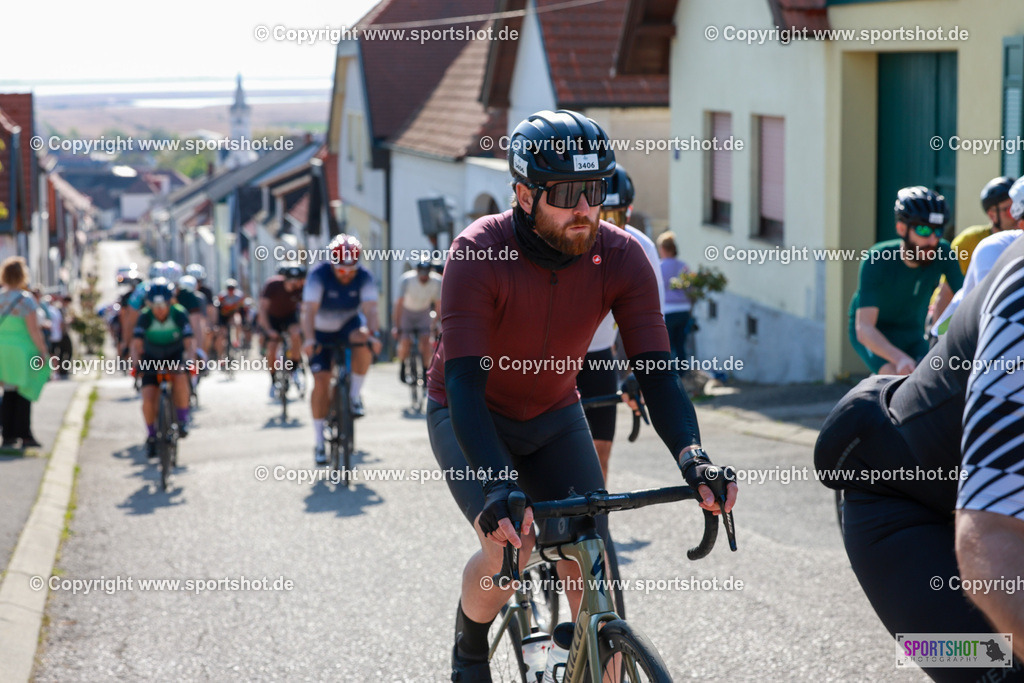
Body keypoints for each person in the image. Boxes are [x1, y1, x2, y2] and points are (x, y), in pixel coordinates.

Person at [425, 109, 737, 680]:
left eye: (593, 190)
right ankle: (470, 644)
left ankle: (600, 665)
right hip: (470, 412)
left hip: (552, 411)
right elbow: (465, 383)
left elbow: (657, 374)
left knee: (590, 558)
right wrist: (496, 483)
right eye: (567, 193)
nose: (585, 209)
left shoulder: (622, 256)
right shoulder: (477, 252)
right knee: (509, 553)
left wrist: (694, 459)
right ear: (523, 194)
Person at [815, 231, 1024, 680]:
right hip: (895, 505)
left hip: (982, 490)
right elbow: (988, 538)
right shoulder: (1020, 285)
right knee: (998, 670)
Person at [576, 165, 664, 482]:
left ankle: (598, 524)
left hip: (599, 355)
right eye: (603, 216)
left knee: (601, 451)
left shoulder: (641, 249)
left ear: (628, 212)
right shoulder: (570, 240)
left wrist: (637, 375)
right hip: (552, 359)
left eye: (617, 218)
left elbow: (651, 324)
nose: (607, 229)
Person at [849, 186, 963, 375]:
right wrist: (899, 358)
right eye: (924, 230)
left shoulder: (943, 253)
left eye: (938, 231)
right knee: (893, 380)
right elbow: (864, 328)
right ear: (902, 228)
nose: (933, 240)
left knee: (930, 381)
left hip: (912, 333)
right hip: (875, 332)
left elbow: (966, 296)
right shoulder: (877, 258)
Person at [301, 235, 382, 465]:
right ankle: (318, 442)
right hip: (320, 330)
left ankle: (354, 395)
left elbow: (371, 309)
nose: (346, 275)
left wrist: (374, 335)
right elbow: (308, 311)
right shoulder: (318, 275)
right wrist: (308, 339)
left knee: (364, 340)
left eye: (350, 271)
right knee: (321, 381)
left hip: (348, 326)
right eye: (341, 271)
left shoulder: (365, 277)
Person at [131, 279, 195, 458]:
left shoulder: (179, 314)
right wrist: (136, 365)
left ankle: (182, 420)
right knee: (148, 398)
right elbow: (136, 344)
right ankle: (151, 436)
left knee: (181, 377)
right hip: (151, 358)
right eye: (155, 305)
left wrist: (190, 361)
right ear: (149, 304)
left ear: (170, 303)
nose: (159, 309)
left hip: (174, 355)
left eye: (163, 304)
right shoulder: (145, 316)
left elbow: (190, 343)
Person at [0, 257, 52, 450]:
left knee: (8, 392)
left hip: (2, 350)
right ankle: (25, 434)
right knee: (25, 392)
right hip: (23, 351)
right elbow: (33, 329)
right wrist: (43, 351)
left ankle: (8, 435)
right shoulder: (25, 299)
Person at [259, 264, 305, 398]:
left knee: (296, 335)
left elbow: (305, 310)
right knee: (272, 347)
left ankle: (294, 369)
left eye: (298, 279)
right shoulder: (272, 285)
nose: (294, 283)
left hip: (289, 317)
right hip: (272, 318)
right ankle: (273, 380)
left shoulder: (302, 288)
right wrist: (268, 330)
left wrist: (303, 328)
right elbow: (262, 309)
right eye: (291, 279)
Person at [393, 260, 441, 385]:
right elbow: (398, 304)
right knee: (405, 341)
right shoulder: (407, 280)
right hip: (406, 312)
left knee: (426, 342)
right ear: (417, 272)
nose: (424, 277)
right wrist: (397, 326)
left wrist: (434, 324)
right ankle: (403, 366)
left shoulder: (437, 282)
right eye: (421, 273)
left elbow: (438, 305)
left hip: (423, 312)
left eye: (426, 274)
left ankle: (426, 371)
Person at [657, 231, 693, 373]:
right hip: (684, 311)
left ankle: (670, 375)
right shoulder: (684, 266)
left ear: (663, 249)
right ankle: (683, 375)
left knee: (668, 347)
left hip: (669, 311)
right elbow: (691, 288)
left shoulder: (660, 267)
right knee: (681, 345)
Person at [214, 278, 245, 362]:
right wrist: (218, 324)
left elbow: (242, 310)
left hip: (233, 315)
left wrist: (245, 322)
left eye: (232, 288)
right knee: (221, 336)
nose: (231, 290)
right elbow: (218, 310)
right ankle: (220, 357)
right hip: (223, 317)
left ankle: (236, 341)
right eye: (229, 288)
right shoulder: (222, 296)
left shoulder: (239, 296)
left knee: (237, 321)